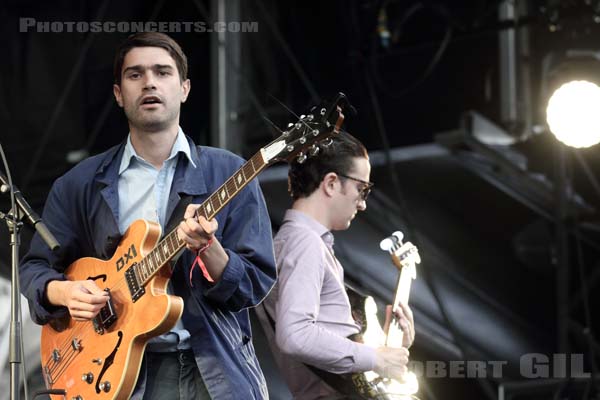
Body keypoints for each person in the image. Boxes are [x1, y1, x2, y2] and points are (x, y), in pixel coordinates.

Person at [19, 32, 276, 400]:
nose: (150, 82)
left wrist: (210, 251)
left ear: (184, 88)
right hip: (117, 371)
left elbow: (255, 283)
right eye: (135, 74)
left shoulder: (229, 173)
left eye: (163, 72)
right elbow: (34, 268)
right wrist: (65, 291)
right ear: (119, 94)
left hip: (213, 370)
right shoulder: (79, 184)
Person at [260, 132, 415, 399]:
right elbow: (294, 335)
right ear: (331, 183)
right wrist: (375, 358)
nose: (364, 203)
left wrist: (388, 348)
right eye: (361, 188)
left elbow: (328, 339)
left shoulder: (304, 242)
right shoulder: (304, 243)